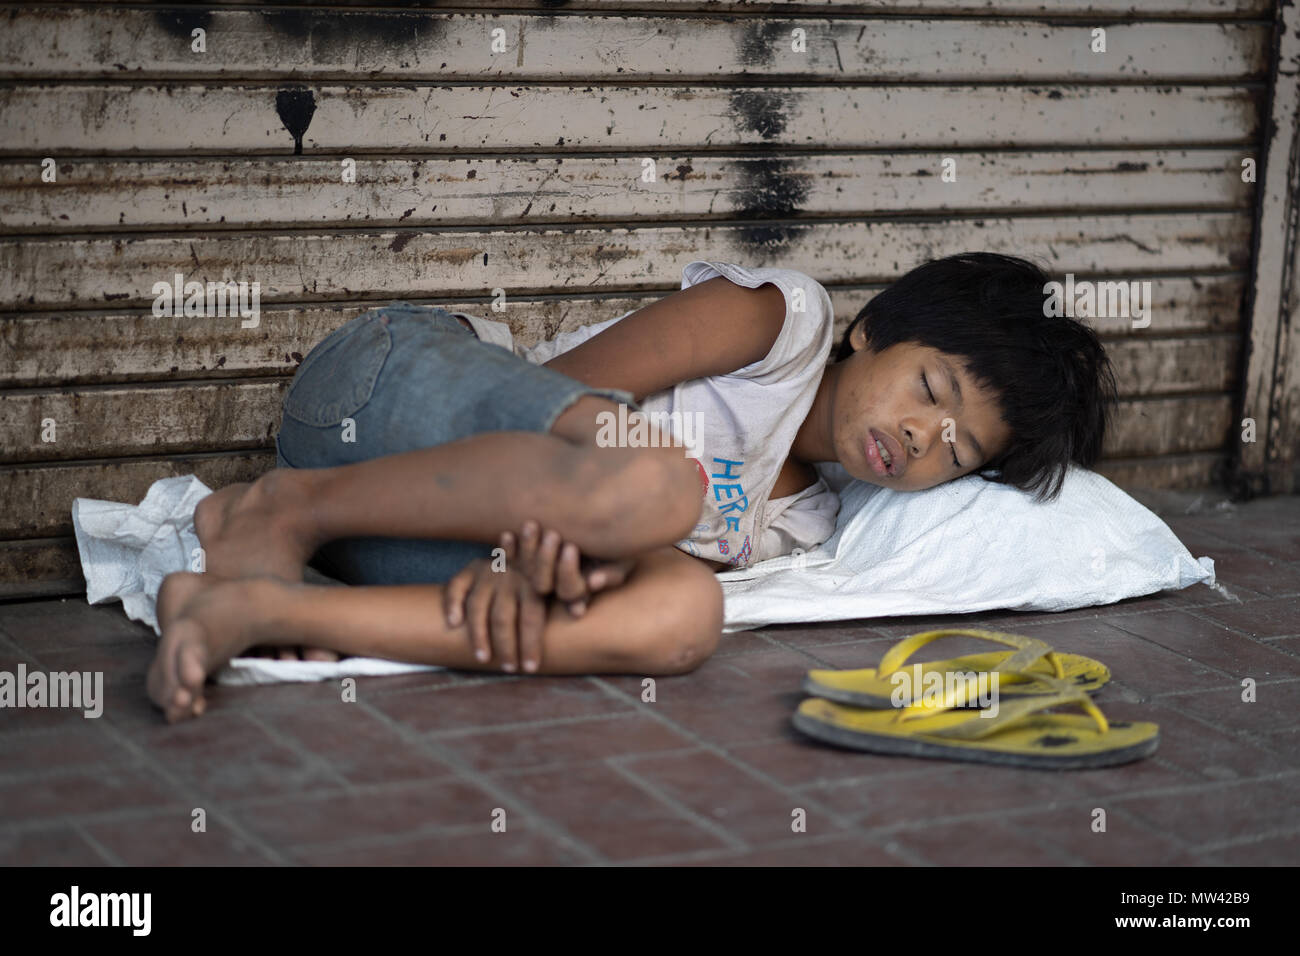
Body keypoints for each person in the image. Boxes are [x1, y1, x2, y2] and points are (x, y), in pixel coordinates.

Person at [146, 253, 1117, 722]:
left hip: (416, 544)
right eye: (931, 390)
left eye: (953, 450)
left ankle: (254, 606)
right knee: (660, 484)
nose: (917, 436)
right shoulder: (784, 326)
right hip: (389, 395)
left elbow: (593, 542)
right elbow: (562, 392)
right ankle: (278, 509)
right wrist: (527, 543)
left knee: (685, 611)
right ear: (877, 329)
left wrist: (536, 570)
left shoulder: (805, 522)